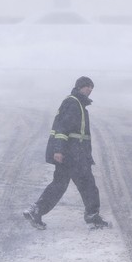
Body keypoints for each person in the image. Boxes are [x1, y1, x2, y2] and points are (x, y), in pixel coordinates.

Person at [23, 76, 110, 230]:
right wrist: (58, 150)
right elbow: (62, 128)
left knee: (62, 184)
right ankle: (92, 215)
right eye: (86, 86)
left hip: (76, 154)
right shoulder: (73, 103)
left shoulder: (79, 105)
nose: (89, 89)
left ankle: (36, 210)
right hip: (73, 155)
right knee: (87, 185)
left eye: (91, 87)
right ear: (79, 87)